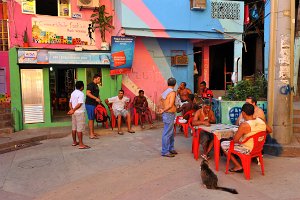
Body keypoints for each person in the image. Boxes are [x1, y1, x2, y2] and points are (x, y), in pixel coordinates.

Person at [221, 103, 266, 173]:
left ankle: (238, 166)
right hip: (259, 147)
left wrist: (237, 134)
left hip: (247, 149)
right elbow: (269, 130)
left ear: (243, 113)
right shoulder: (260, 120)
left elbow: (235, 140)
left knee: (223, 144)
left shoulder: (244, 125)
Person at [67, 81, 90, 149]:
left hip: (74, 113)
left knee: (74, 128)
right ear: (82, 86)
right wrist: (73, 110)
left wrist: (72, 110)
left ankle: (74, 142)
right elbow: (80, 104)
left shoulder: (73, 93)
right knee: (79, 129)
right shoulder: (81, 94)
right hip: (79, 112)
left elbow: (70, 103)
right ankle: (81, 144)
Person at [158, 77, 178, 158]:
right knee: (167, 133)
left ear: (167, 83)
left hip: (168, 114)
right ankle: (165, 151)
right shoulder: (172, 93)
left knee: (171, 132)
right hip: (169, 114)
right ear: (175, 84)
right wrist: (163, 110)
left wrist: (162, 108)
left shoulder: (165, 92)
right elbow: (170, 105)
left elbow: (160, 100)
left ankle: (171, 148)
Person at [85, 74, 101, 139]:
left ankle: (92, 132)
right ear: (95, 78)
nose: (99, 80)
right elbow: (88, 93)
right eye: (99, 79)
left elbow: (97, 94)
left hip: (94, 104)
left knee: (92, 119)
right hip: (90, 104)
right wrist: (95, 98)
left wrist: (99, 99)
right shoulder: (90, 85)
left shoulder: (96, 85)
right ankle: (91, 134)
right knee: (91, 119)